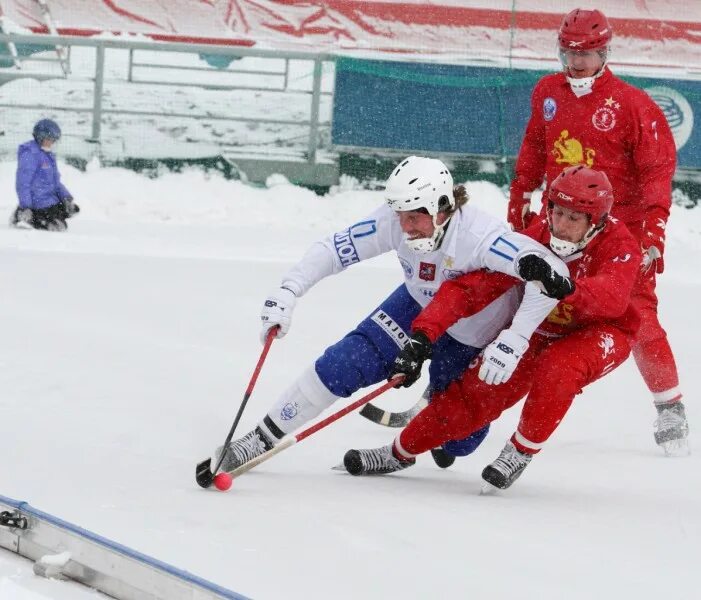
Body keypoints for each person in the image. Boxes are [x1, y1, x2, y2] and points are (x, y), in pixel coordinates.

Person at [215, 156, 568, 471]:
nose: (404, 227)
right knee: (343, 363)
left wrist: (516, 334)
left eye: (414, 218)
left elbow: (550, 273)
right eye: (400, 216)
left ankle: (437, 403)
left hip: (470, 335)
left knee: (458, 443)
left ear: (443, 208)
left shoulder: (479, 235)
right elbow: (334, 249)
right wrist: (288, 291)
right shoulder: (396, 218)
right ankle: (259, 439)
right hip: (415, 306)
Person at [343, 166, 642, 490]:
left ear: (596, 220)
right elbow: (472, 288)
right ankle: (399, 453)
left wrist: (568, 288)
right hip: (538, 328)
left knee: (558, 371)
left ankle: (520, 450)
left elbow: (611, 299)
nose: (561, 225)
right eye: (557, 212)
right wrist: (425, 332)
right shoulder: (533, 240)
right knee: (474, 393)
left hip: (601, 331)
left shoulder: (621, 245)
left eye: (574, 218)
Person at [506, 8, 687, 455]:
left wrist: (653, 235)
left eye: (584, 54)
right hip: (556, 223)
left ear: (606, 52)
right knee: (503, 294)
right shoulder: (547, 91)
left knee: (639, 317)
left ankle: (669, 405)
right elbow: (534, 145)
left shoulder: (633, 105)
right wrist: (520, 194)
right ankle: (446, 389)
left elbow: (656, 175)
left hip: (618, 237)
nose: (575, 63)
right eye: (567, 53)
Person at [10, 118, 79, 231]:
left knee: (71, 210)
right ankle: (21, 215)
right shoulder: (30, 154)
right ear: (40, 137)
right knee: (57, 227)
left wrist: (66, 198)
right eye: (49, 139)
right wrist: (26, 206)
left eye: (53, 140)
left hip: (49, 200)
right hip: (36, 203)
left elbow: (55, 183)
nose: (51, 143)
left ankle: (39, 217)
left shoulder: (48, 155)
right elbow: (23, 183)